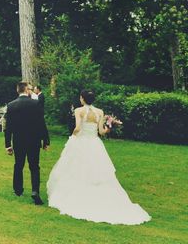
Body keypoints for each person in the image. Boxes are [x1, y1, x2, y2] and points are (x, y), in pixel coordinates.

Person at [47, 90, 150, 224]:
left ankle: (77, 195)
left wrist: (73, 136)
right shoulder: (100, 112)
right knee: (97, 169)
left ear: (82, 99)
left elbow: (78, 127)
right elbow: (101, 131)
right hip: (95, 143)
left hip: (81, 142)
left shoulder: (79, 111)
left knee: (76, 168)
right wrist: (109, 127)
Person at [4, 81, 50, 205]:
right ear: (26, 90)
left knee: (18, 164)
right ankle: (35, 190)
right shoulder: (36, 104)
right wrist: (45, 140)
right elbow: (42, 123)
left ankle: (18, 189)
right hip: (34, 139)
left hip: (18, 140)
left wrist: (8, 144)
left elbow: (8, 127)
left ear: (18, 90)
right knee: (34, 166)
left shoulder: (11, 105)